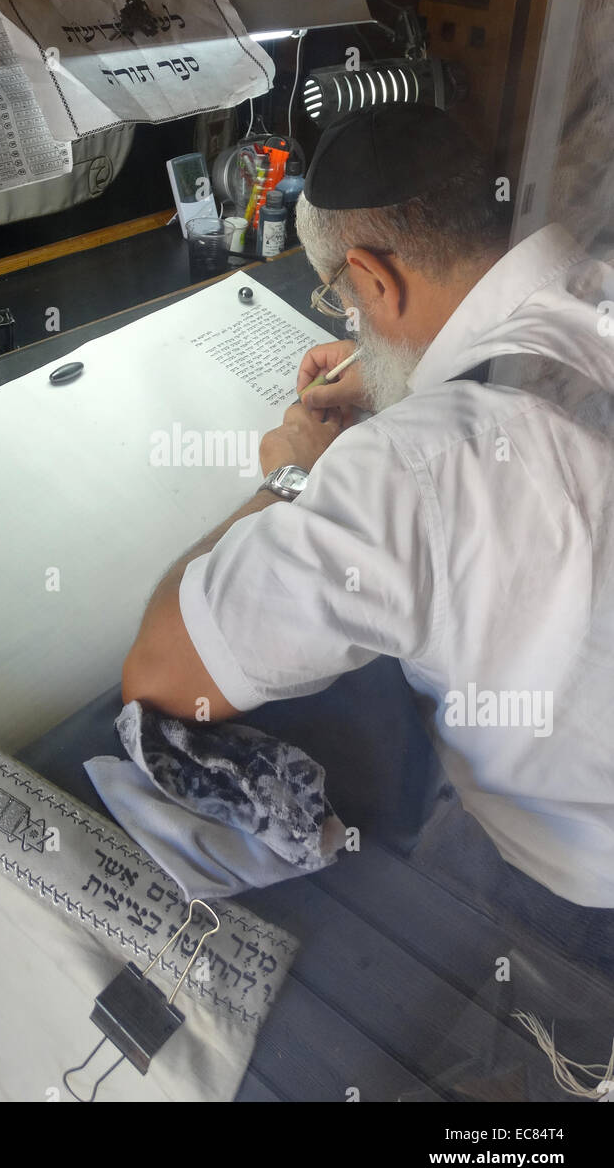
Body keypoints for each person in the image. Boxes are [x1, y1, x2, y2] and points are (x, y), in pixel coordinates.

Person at [122, 104, 614, 911]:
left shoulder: (412, 466)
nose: (347, 317)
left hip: (568, 889)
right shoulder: (590, 281)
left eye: (341, 297)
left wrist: (289, 478)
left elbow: (163, 676)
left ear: (374, 279)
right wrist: (399, 362)